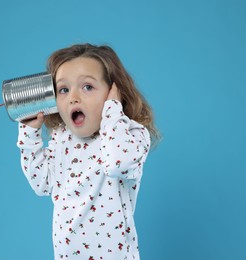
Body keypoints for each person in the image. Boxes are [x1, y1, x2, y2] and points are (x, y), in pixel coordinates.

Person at [17, 43, 159, 260]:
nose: (73, 97)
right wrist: (29, 134)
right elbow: (42, 183)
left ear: (114, 92)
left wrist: (113, 109)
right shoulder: (61, 137)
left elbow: (116, 163)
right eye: (64, 89)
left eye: (87, 87)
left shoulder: (130, 134)